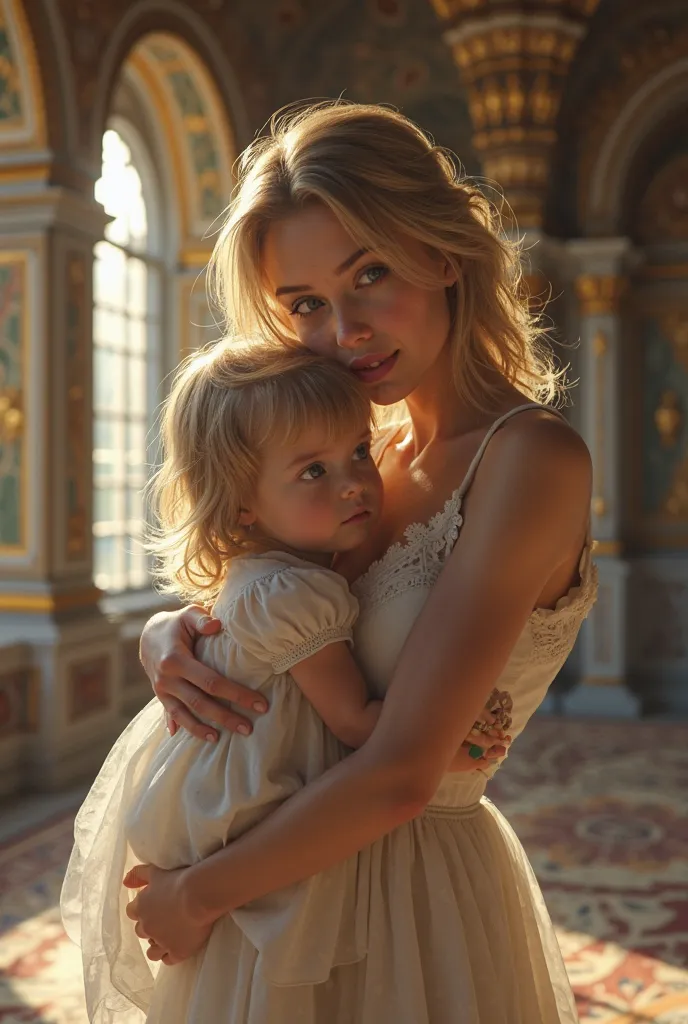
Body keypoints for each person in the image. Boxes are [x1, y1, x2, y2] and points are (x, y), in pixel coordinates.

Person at [126, 101, 599, 1023]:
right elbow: (266, 592)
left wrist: (197, 895)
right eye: (305, 304)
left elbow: (399, 776)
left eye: (370, 274)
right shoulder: (359, 454)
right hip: (274, 901)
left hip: (405, 905)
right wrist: (170, 635)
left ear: (443, 252)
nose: (344, 330)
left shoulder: (530, 461)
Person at [61, 340, 507, 1024]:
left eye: (359, 451)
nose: (354, 482)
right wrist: (454, 742)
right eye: (314, 472)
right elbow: (357, 724)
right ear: (243, 504)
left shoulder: (261, 572)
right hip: (264, 814)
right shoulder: (300, 593)